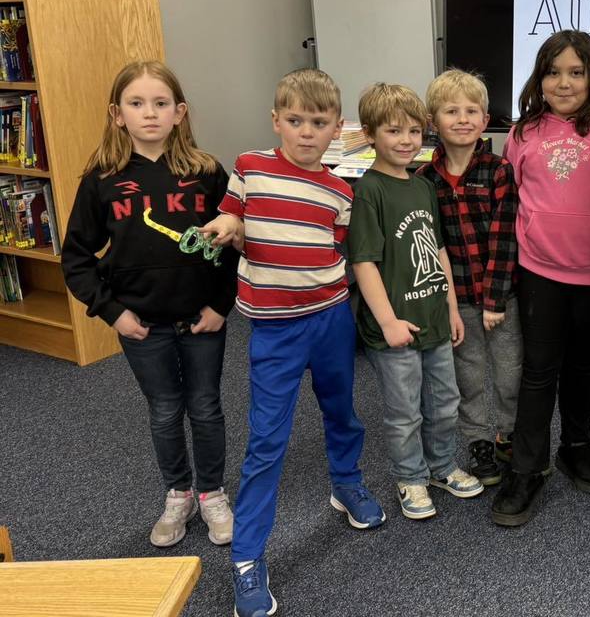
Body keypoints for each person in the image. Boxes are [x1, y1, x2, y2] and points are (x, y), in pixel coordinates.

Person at [202, 69, 385, 617]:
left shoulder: (340, 190)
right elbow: (234, 213)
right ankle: (247, 559)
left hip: (330, 319)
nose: (307, 132)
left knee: (343, 413)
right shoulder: (250, 167)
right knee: (266, 442)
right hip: (274, 331)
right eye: (296, 120)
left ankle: (346, 483)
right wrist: (227, 226)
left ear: (338, 130)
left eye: (320, 123)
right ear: (276, 120)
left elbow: (338, 250)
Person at [62, 60, 238, 550]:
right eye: (136, 104)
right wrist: (112, 311)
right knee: (164, 411)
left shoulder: (205, 172)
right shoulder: (102, 180)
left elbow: (233, 245)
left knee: (205, 408)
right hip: (141, 324)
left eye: (161, 104)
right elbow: (76, 257)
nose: (149, 114)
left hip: (203, 319)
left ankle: (212, 493)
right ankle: (178, 492)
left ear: (179, 112)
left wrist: (223, 304)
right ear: (117, 114)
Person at [490, 30, 590, 527]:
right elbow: (514, 198)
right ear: (539, 78)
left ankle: (577, 446)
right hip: (538, 270)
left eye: (576, 72)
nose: (564, 82)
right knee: (539, 368)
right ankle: (527, 467)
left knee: (582, 364)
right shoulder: (524, 133)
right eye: (553, 72)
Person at [348, 82, 483, 522]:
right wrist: (387, 322)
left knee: (444, 403)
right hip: (394, 330)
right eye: (393, 132)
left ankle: (442, 467)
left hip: (435, 319)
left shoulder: (423, 186)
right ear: (370, 134)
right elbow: (364, 263)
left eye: (412, 131)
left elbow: (438, 250)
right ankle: (411, 476)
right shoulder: (370, 190)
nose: (405, 141)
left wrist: (449, 306)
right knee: (405, 412)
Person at [417, 69, 522, 487]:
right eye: (450, 111)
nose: (462, 118)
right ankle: (478, 439)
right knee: (469, 376)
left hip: (501, 298)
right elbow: (433, 244)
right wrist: (447, 304)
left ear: (484, 120)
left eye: (471, 111)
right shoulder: (425, 181)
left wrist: (495, 300)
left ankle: (509, 435)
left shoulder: (498, 171)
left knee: (511, 372)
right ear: (433, 121)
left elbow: (504, 240)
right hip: (456, 300)